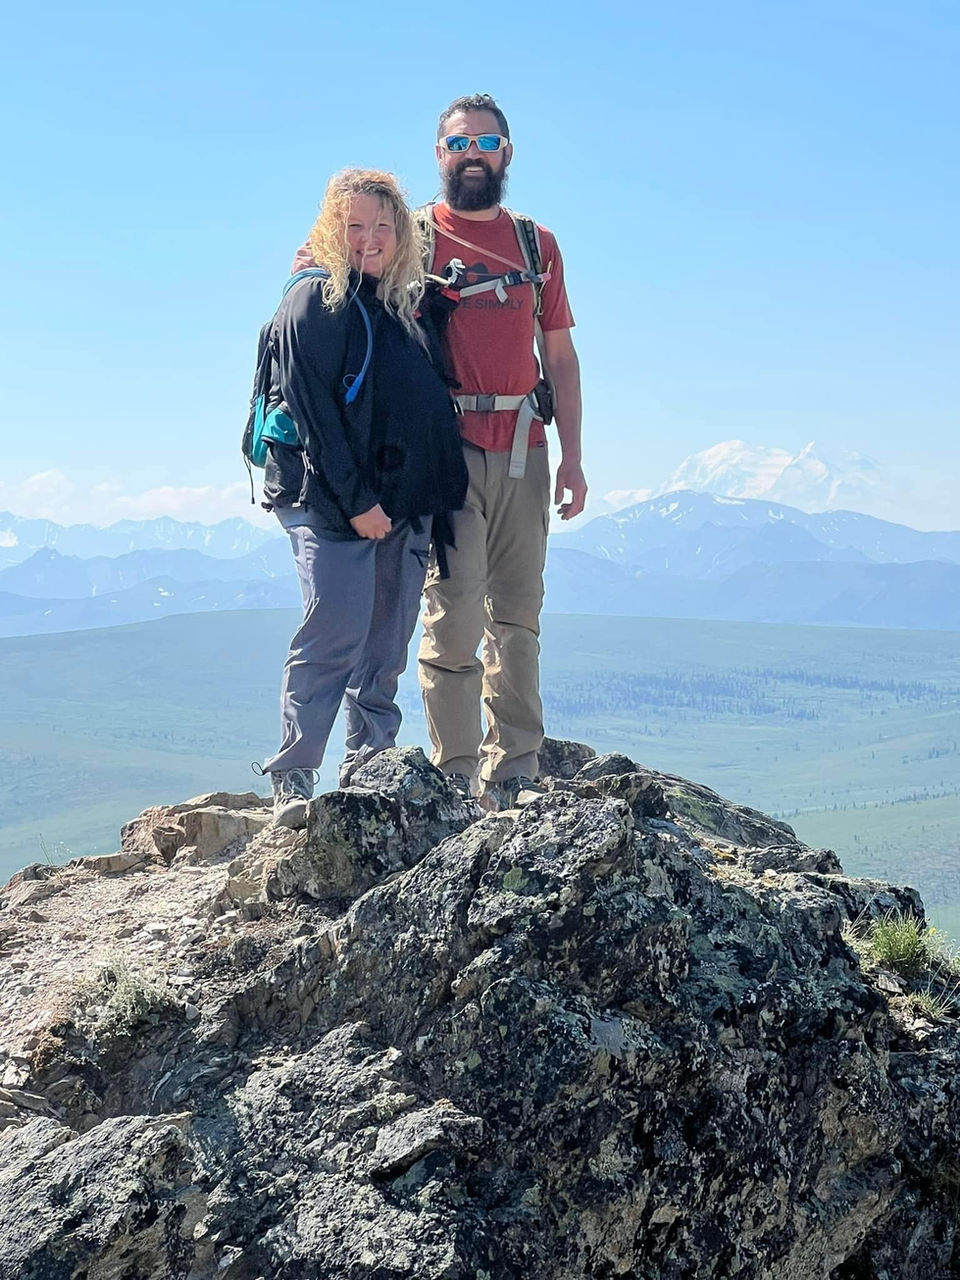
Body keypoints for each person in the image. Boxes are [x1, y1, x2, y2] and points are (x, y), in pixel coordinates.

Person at [258, 170, 467, 827]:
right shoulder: (312, 300)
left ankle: (371, 769)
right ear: (330, 228)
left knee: (384, 644)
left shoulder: (395, 304)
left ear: (401, 234)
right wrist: (356, 502)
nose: (369, 239)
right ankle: (294, 776)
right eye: (354, 226)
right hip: (332, 499)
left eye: (383, 227)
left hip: (402, 503)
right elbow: (314, 411)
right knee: (335, 628)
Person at [415, 94, 587, 811]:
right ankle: (454, 779)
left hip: (524, 448)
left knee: (517, 617)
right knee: (453, 616)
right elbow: (336, 263)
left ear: (507, 152)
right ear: (440, 156)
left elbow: (561, 357)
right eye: (459, 145)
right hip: (445, 456)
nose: (472, 155)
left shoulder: (534, 244)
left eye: (486, 143)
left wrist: (573, 459)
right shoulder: (415, 237)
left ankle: (515, 772)